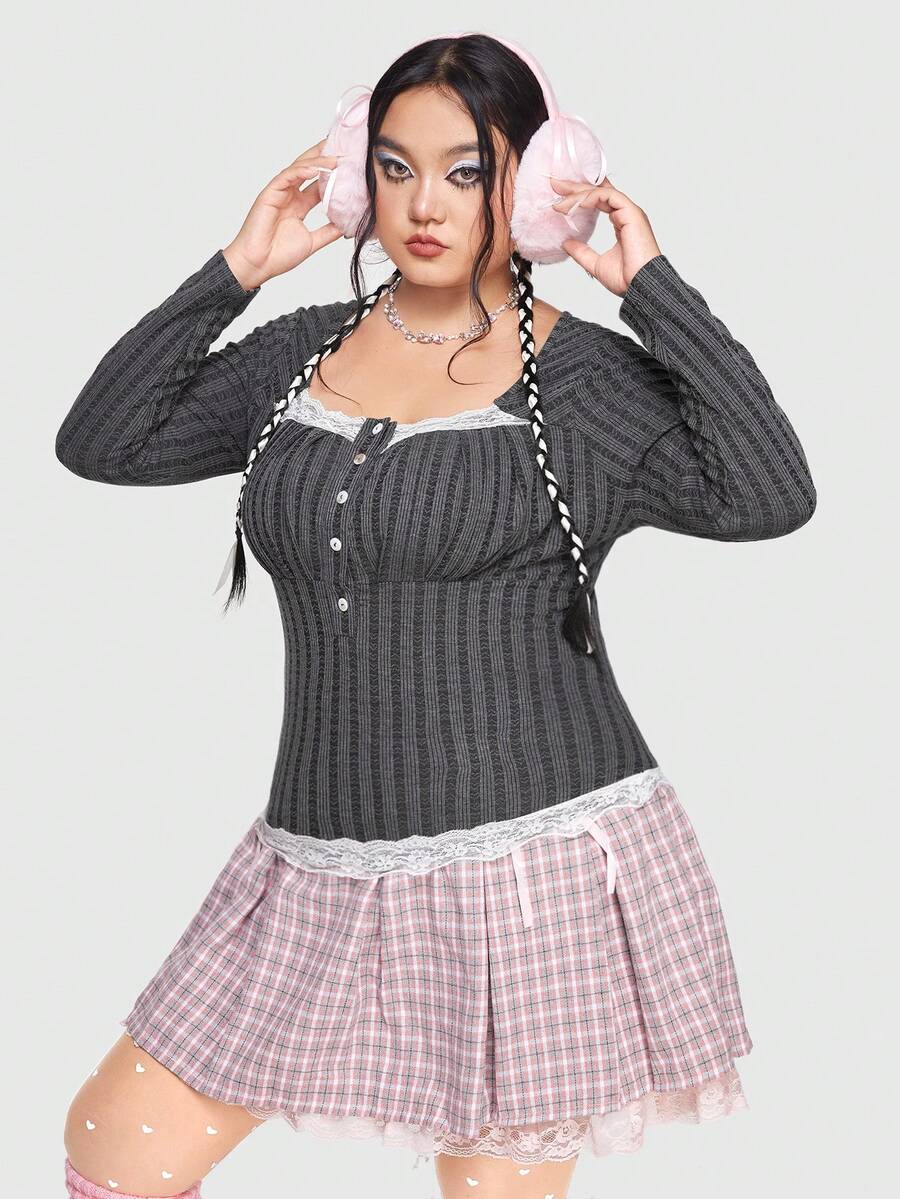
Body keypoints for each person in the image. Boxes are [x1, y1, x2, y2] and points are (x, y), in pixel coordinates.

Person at [55, 32, 816, 1199]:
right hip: (311, 861)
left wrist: (654, 292)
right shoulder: (297, 355)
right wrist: (238, 268)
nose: (424, 205)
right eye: (395, 167)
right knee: (113, 1145)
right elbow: (104, 440)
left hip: (530, 873)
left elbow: (769, 492)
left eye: (468, 172)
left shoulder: (584, 383)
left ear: (536, 184)